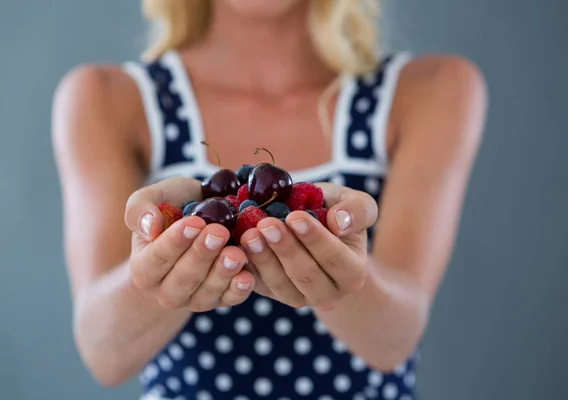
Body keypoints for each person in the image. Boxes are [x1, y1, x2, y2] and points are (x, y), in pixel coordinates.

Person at [51, 0, 487, 398]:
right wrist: (160, 270)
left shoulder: (430, 88)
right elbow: (103, 355)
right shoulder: (106, 96)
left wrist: (342, 276)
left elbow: (393, 341)